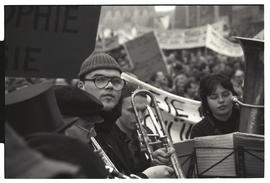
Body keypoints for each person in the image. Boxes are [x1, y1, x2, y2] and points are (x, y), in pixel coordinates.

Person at [76, 51, 174, 178]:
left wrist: (151, 164)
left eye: (116, 81)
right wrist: (146, 177)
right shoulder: (73, 128)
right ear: (81, 86)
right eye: (100, 79)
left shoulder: (111, 129)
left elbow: (125, 173)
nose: (110, 85)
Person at [190, 73, 240, 138]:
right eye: (214, 97)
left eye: (225, 94)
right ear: (206, 101)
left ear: (233, 95)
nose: (221, 100)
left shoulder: (247, 119)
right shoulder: (199, 131)